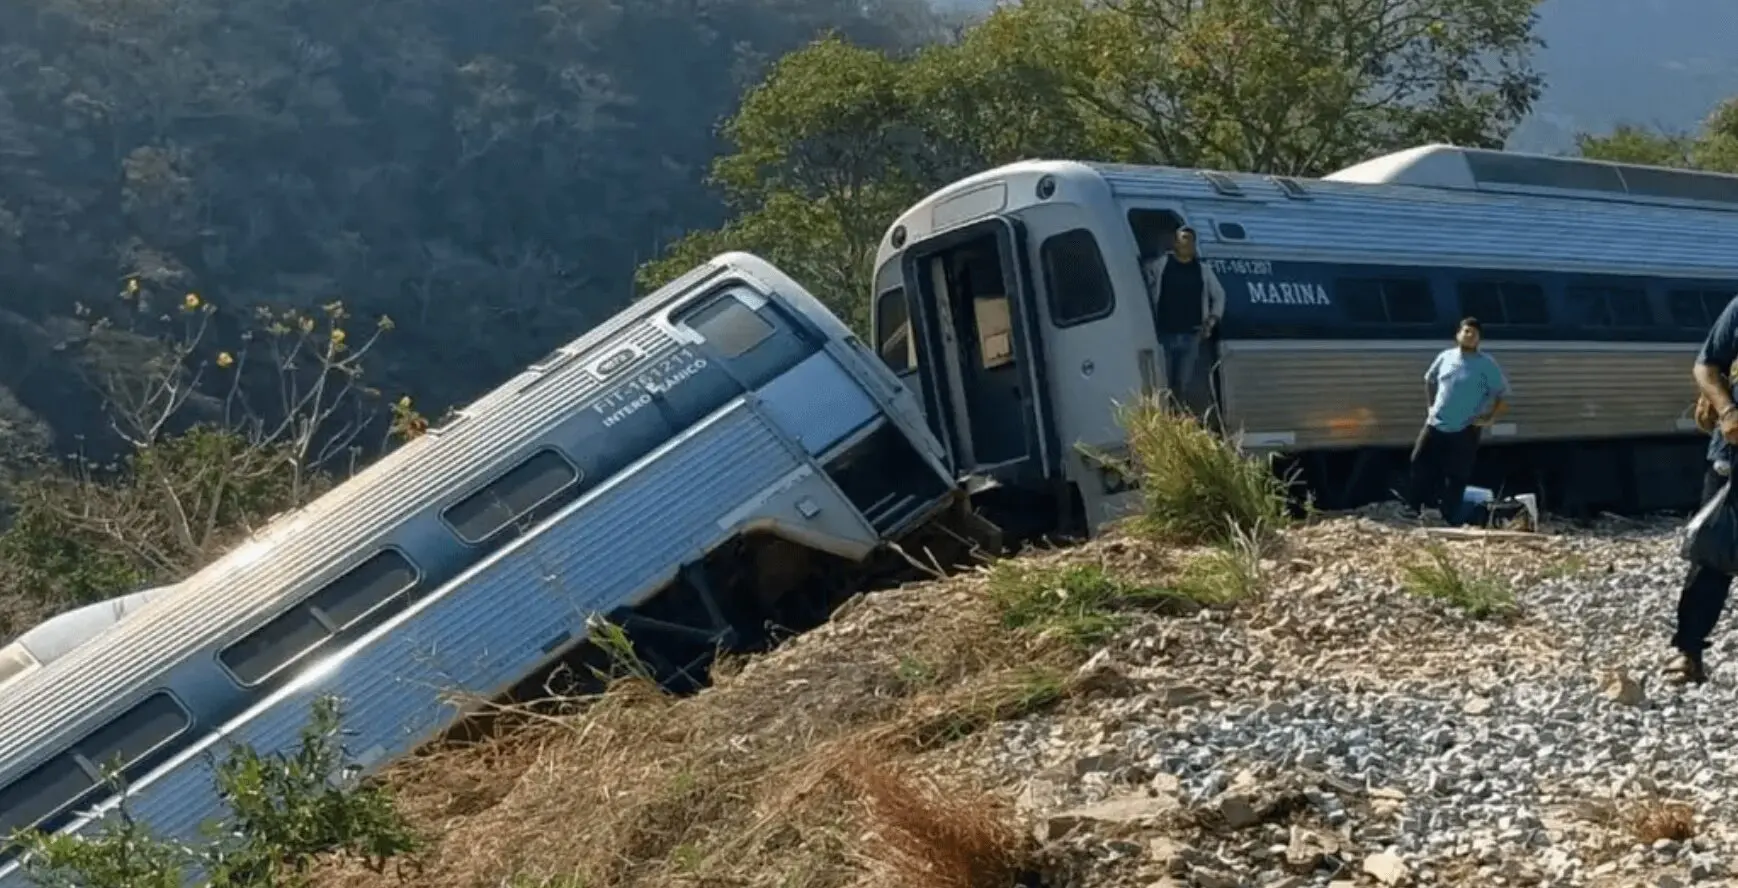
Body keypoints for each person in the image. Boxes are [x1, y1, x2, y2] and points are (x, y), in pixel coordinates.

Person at [1668, 295, 1738, 685]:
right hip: (1733, 452)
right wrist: (1727, 411)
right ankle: (1688, 652)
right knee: (1712, 553)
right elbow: (1706, 365)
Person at [1405, 317, 1510, 526]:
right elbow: (1429, 379)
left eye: (1474, 333)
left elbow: (1502, 394)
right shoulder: (1445, 356)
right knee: (1419, 461)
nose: (1469, 336)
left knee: (1457, 475)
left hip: (1465, 428)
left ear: (1479, 339)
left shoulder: (1486, 364)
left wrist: (1490, 418)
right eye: (1466, 331)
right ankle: (1419, 508)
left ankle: (1449, 516)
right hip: (1435, 423)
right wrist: (1431, 407)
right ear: (1458, 334)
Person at [1141, 226, 1226, 409]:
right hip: (1165, 334)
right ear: (1175, 243)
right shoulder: (1161, 264)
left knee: (1182, 383)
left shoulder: (1203, 270)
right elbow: (1146, 276)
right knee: (1162, 382)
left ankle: (1177, 415)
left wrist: (1212, 320)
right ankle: (1165, 416)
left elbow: (1219, 295)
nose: (1186, 244)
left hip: (1192, 335)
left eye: (1189, 240)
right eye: (1182, 239)